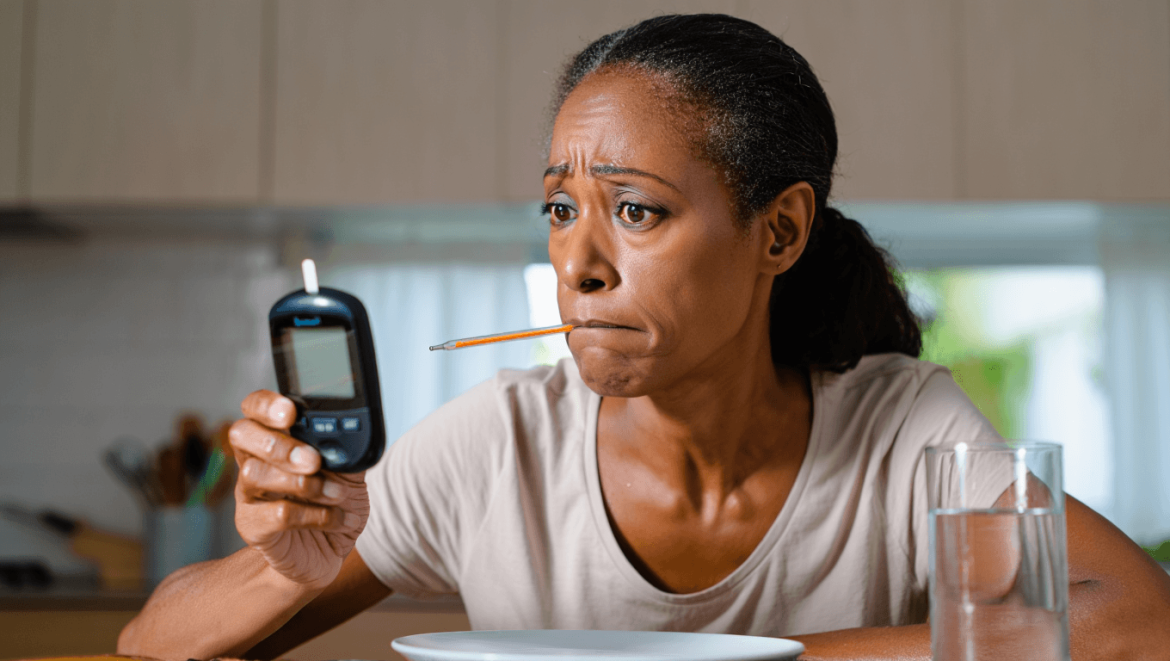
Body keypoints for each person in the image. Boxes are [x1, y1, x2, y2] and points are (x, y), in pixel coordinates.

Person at [118, 14, 1170, 661]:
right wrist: (286, 571)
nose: (577, 262)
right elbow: (146, 645)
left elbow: (1140, 624)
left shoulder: (902, 431)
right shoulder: (496, 443)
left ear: (779, 232)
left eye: (635, 210)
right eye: (558, 209)